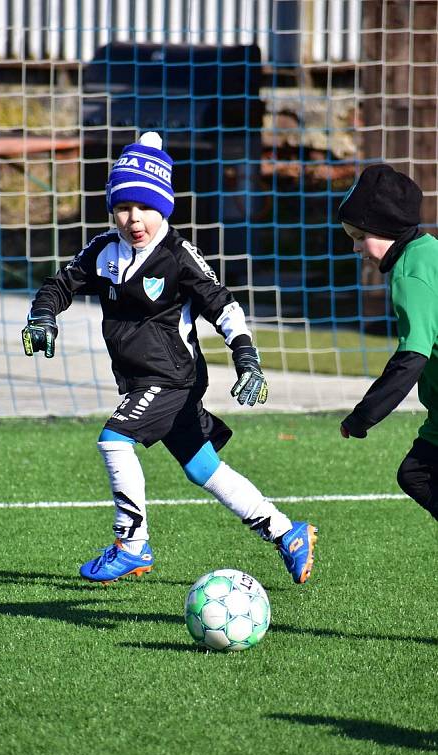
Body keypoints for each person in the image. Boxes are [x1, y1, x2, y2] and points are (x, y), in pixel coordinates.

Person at [22, 131, 317, 584]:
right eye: (123, 206)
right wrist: (43, 315)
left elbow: (224, 306)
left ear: (164, 207)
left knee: (114, 440)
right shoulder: (104, 251)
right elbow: (59, 285)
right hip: (144, 380)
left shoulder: (178, 257)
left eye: (145, 207)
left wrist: (247, 358)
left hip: (171, 378)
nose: (133, 218)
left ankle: (132, 543)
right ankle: (287, 533)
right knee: (205, 469)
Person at [338, 163, 438, 521]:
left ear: (382, 228)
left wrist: (363, 416)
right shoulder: (428, 252)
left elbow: (411, 359)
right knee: (416, 473)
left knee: (418, 474)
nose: (355, 248)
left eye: (357, 236)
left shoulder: (410, 276)